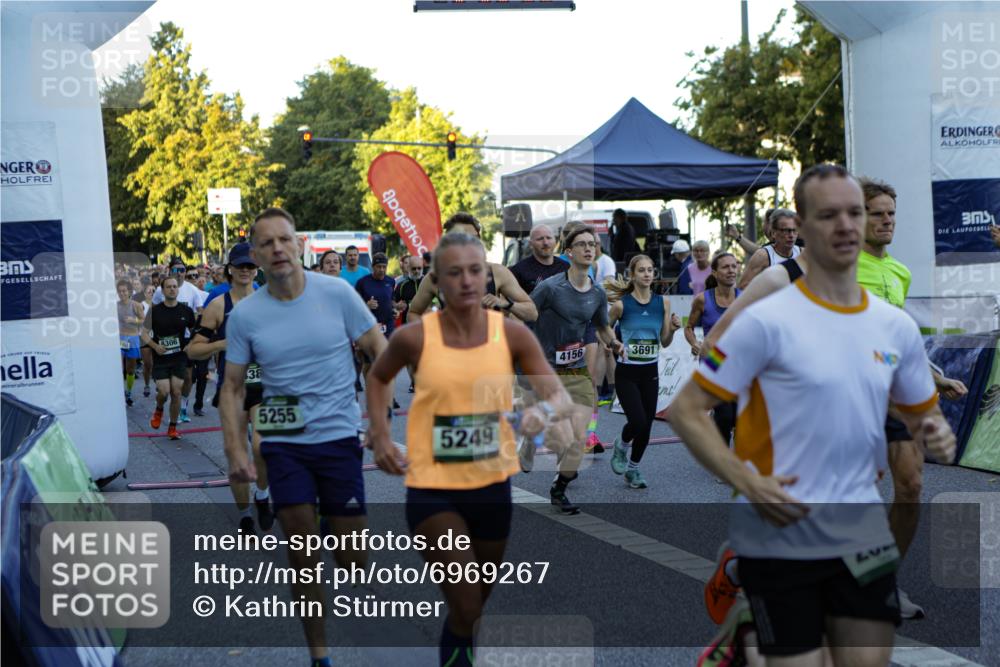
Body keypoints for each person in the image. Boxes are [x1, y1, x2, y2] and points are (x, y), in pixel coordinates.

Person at [669, 164, 956, 665]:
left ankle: (754, 630)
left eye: (856, 213)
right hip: (780, 515)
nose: (851, 225)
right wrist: (748, 467)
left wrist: (927, 417)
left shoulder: (890, 312)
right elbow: (708, 365)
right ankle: (750, 633)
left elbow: (895, 362)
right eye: (833, 215)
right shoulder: (779, 287)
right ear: (802, 227)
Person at [366, 232, 572, 667]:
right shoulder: (415, 338)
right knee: (465, 602)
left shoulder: (512, 335)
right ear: (437, 280)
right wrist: (381, 434)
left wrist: (540, 414)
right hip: (432, 488)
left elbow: (558, 395)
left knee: (472, 607)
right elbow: (378, 377)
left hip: (493, 487)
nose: (466, 281)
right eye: (454, 273)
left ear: (489, 277)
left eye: (475, 271)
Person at [220, 207, 387, 667]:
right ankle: (320, 656)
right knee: (302, 552)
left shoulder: (336, 294)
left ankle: (335, 522)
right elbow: (232, 389)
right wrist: (236, 451)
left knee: (353, 561)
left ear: (299, 245)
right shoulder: (246, 315)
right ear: (255, 254)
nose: (277, 249)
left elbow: (380, 351)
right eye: (266, 243)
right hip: (284, 440)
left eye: (284, 240)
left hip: (338, 438)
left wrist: (380, 422)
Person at [527, 225, 624, 513]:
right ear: (568, 252)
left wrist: (614, 343)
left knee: (580, 441)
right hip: (547, 369)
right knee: (565, 438)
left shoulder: (596, 292)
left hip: (578, 369)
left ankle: (560, 487)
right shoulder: (550, 287)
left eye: (592, 244)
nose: (588, 248)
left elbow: (601, 326)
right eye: (581, 244)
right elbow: (527, 315)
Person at [187, 243, 272, 534]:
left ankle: (262, 494)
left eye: (251, 266)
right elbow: (193, 350)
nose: (246, 271)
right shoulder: (219, 305)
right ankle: (246, 515)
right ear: (230, 269)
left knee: (263, 448)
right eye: (241, 266)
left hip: (263, 385)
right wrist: (222, 344)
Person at [605, 254, 681, 488]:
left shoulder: (663, 303)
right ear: (632, 275)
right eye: (642, 270)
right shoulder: (621, 305)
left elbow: (665, 342)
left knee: (646, 426)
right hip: (627, 373)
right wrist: (614, 344)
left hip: (651, 373)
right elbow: (603, 329)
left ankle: (633, 470)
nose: (647, 274)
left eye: (650, 270)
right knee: (637, 421)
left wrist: (674, 329)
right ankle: (621, 444)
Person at [407, 213, 537, 323]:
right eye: (461, 238)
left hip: (489, 349)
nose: (468, 243)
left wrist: (507, 304)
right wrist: (434, 333)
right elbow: (413, 313)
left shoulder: (497, 272)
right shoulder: (435, 277)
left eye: (473, 238)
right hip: (453, 349)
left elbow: (532, 313)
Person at [684, 253, 741, 448]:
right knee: (725, 415)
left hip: (739, 361)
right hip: (714, 359)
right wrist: (694, 343)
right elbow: (689, 327)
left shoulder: (745, 298)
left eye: (734, 266)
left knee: (739, 416)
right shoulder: (702, 299)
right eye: (726, 267)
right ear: (715, 273)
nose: (731, 270)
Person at [141, 276, 197, 440]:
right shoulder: (155, 310)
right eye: (169, 287)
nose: (172, 289)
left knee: (177, 392)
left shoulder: (186, 311)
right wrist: (155, 346)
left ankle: (172, 428)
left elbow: (196, 330)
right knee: (164, 392)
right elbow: (143, 333)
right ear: (163, 290)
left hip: (179, 357)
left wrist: (190, 344)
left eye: (174, 286)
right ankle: (159, 408)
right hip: (161, 359)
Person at [738, 209, 801, 289]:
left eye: (794, 230)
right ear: (774, 233)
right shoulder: (763, 256)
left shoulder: (802, 253)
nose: (791, 235)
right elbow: (742, 286)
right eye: (786, 231)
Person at [509, 224, 569, 296]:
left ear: (555, 241)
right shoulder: (518, 271)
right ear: (531, 244)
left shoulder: (566, 267)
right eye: (540, 239)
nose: (545, 243)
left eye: (549, 238)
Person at [117, 279, 145, 407]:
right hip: (119, 338)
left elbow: (143, 320)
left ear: (129, 292)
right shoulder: (115, 305)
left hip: (133, 339)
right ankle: (118, 392)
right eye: (120, 291)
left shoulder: (136, 305)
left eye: (124, 291)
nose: (122, 293)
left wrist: (133, 320)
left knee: (130, 369)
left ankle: (128, 392)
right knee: (118, 368)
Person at [138, 283, 155, 397]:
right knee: (148, 363)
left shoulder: (159, 304)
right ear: (145, 294)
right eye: (149, 291)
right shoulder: (141, 305)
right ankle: (147, 384)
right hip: (144, 336)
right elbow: (137, 321)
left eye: (153, 291)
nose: (152, 293)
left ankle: (158, 383)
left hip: (157, 336)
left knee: (157, 363)